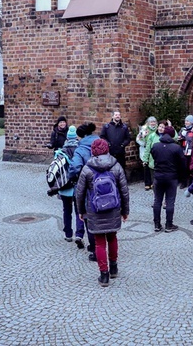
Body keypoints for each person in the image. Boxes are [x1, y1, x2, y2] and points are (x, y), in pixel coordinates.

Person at [75, 139, 130, 287]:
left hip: (95, 210)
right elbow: (124, 191)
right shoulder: (116, 166)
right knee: (112, 237)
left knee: (99, 243)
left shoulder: (87, 169)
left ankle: (104, 275)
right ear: (107, 150)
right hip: (113, 208)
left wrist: (81, 211)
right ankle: (113, 268)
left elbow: (79, 193)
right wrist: (125, 211)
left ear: (93, 151)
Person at [68, 122, 100, 261]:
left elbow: (75, 168)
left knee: (87, 216)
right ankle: (102, 246)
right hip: (102, 186)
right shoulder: (101, 145)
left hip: (86, 187)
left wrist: (73, 177)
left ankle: (94, 247)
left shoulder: (80, 150)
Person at [149, 126, 188, 232]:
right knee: (170, 201)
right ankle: (168, 225)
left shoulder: (156, 146)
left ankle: (157, 224)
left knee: (157, 200)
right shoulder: (176, 148)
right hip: (171, 177)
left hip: (158, 175)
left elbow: (153, 155)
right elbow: (183, 163)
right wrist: (182, 177)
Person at [57, 125, 86, 249]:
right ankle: (79, 234)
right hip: (78, 186)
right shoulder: (80, 150)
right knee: (79, 211)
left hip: (65, 186)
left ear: (67, 138)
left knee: (66, 210)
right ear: (76, 137)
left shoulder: (60, 151)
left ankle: (68, 233)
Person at [141, 119, 168, 189]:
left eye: (163, 127)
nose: (160, 129)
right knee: (154, 177)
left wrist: (170, 126)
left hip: (164, 161)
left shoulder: (168, 136)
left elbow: (175, 137)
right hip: (153, 160)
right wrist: (145, 160)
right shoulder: (152, 136)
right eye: (160, 126)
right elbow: (147, 148)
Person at [136, 117, 157, 190]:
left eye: (154, 122)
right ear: (148, 123)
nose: (153, 123)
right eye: (151, 122)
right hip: (145, 149)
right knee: (146, 167)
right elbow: (138, 139)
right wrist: (144, 142)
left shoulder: (157, 129)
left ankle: (153, 182)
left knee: (153, 167)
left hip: (154, 150)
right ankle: (147, 183)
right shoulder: (144, 129)